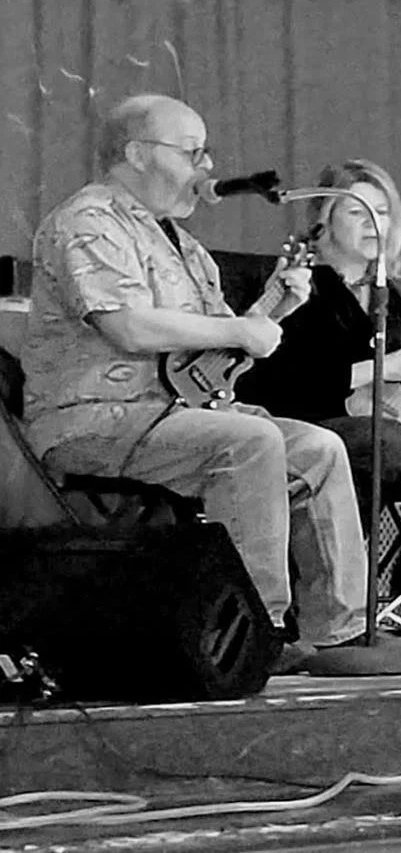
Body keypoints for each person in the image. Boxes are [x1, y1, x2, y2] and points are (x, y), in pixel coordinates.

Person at [17, 94, 376, 673]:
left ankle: (342, 631)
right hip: (95, 416)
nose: (207, 167)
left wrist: (275, 308)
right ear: (138, 153)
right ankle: (254, 631)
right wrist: (239, 328)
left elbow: (210, 360)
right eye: (192, 153)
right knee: (250, 443)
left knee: (319, 448)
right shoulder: (89, 222)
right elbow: (128, 326)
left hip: (177, 414)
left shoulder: (185, 248)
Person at [234, 159, 401, 610]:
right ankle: (322, 581)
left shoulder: (387, 295)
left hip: (378, 431)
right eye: (358, 212)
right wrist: (385, 366)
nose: (374, 224)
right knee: (383, 440)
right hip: (306, 423)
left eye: (382, 213)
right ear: (324, 221)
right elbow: (276, 383)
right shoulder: (302, 287)